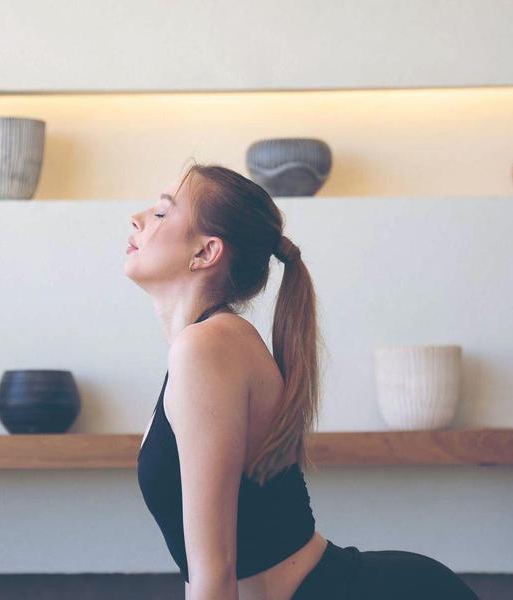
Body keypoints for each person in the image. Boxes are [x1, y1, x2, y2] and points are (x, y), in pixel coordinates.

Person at [125, 160, 480, 600]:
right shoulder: (201, 348)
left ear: (205, 252)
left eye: (161, 213)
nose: (137, 218)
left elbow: (216, 573)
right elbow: (201, 575)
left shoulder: (209, 346)